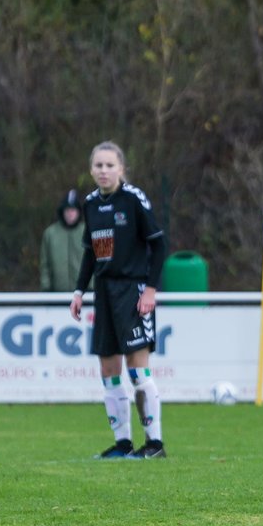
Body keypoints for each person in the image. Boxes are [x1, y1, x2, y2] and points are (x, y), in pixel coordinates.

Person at [69, 141, 169, 460]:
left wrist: (151, 290)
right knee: (108, 368)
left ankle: (154, 443)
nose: (104, 170)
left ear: (121, 169)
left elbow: (159, 244)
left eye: (110, 165)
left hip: (132, 290)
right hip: (104, 294)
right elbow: (90, 252)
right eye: (98, 165)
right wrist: (79, 291)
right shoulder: (90, 204)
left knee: (137, 370)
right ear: (91, 170)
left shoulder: (133, 199)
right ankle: (123, 443)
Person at [41, 189, 87, 292]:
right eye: (67, 210)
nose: (70, 214)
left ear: (79, 212)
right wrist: (46, 287)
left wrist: (92, 286)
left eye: (73, 210)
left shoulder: (87, 232)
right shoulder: (50, 234)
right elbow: (45, 265)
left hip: (84, 292)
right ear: (62, 211)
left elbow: (95, 261)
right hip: (56, 293)